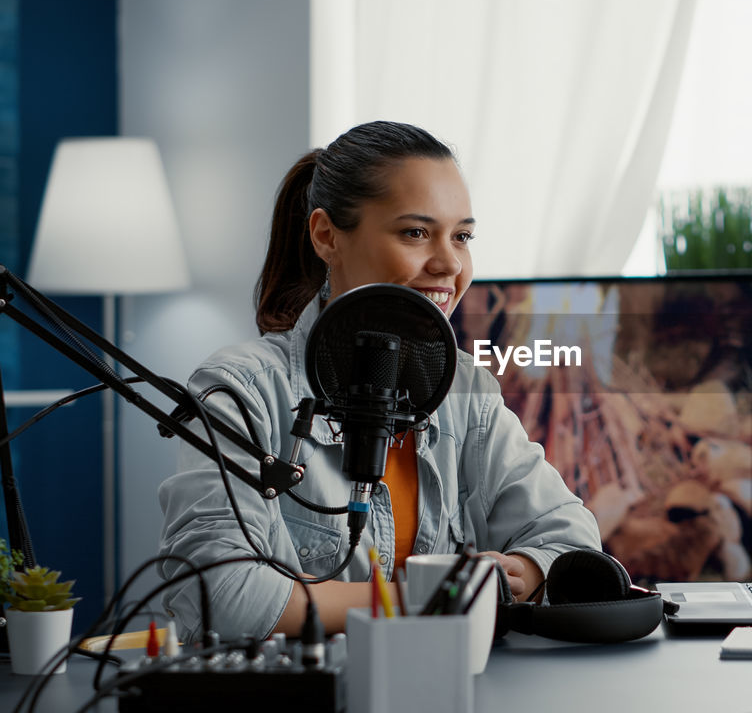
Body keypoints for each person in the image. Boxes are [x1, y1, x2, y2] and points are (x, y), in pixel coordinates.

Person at [157, 121, 602, 643]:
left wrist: (525, 570)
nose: (450, 263)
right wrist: (431, 597)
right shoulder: (242, 391)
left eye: (461, 236)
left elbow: (572, 537)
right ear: (326, 236)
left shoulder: (465, 389)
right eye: (415, 232)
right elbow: (218, 594)